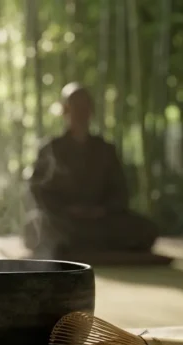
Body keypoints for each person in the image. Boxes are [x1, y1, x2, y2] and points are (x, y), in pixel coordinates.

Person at [23, 82, 158, 257]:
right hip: (64, 220)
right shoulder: (51, 148)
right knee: (38, 226)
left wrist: (101, 210)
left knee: (145, 229)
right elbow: (38, 189)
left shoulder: (105, 149)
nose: (80, 112)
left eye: (84, 106)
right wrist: (65, 209)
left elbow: (120, 190)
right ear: (65, 110)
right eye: (75, 107)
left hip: (101, 220)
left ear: (91, 110)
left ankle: (74, 245)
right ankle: (82, 244)